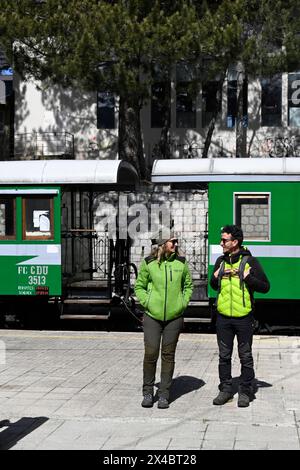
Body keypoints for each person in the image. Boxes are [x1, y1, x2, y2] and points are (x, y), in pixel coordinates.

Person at [210, 225, 270, 408]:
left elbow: (266, 287)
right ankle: (226, 389)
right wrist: (216, 277)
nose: (221, 243)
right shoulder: (220, 260)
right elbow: (214, 285)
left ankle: (245, 390)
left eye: (224, 240)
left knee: (245, 356)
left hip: (244, 318)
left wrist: (248, 278)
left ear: (234, 242)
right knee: (224, 356)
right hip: (223, 318)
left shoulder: (250, 261)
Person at [134, 229, 193, 409]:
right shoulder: (149, 263)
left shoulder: (181, 263)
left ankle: (164, 395)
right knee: (151, 354)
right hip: (152, 316)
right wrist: (148, 302)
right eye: (172, 241)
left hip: (174, 317)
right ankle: (147, 392)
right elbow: (139, 286)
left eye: (176, 242)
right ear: (162, 244)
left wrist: (182, 304)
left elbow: (188, 286)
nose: (176, 245)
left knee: (168, 355)